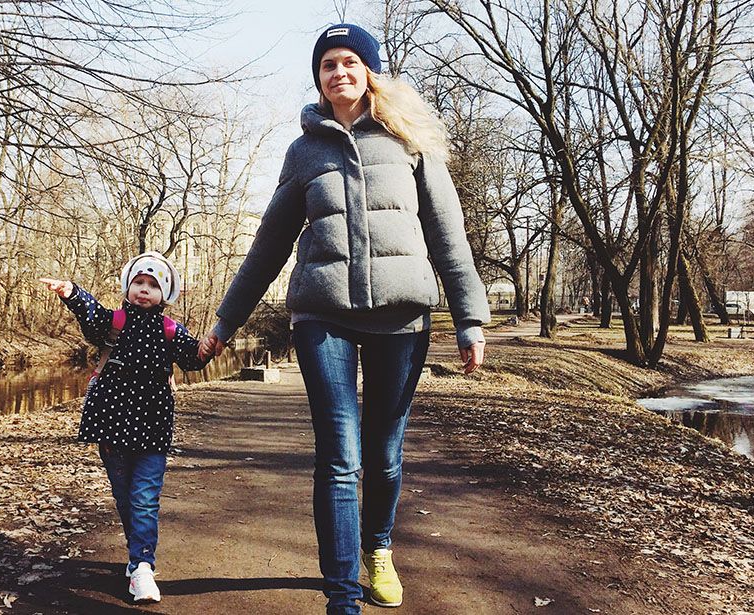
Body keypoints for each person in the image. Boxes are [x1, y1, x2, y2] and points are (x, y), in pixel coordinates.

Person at [198, 23, 490, 615]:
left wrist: (470, 319)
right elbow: (269, 245)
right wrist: (226, 321)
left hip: (403, 319)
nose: (339, 72)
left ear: (369, 70)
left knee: (383, 453)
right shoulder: (304, 151)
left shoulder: (409, 140)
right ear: (319, 78)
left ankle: (377, 549)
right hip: (321, 317)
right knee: (339, 457)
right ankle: (341, 597)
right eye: (328, 64)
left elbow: (448, 237)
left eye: (350, 61)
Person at [41, 251, 211, 604]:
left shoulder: (171, 331)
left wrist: (211, 346)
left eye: (153, 285)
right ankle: (138, 556)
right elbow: (91, 315)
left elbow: (193, 358)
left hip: (152, 426)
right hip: (111, 424)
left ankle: (143, 567)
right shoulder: (114, 321)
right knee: (125, 496)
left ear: (164, 294)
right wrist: (71, 291)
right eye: (139, 282)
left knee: (145, 497)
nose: (144, 290)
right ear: (128, 286)